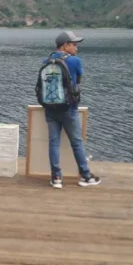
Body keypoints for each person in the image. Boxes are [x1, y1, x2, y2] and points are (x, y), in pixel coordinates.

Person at [42, 31, 101, 189]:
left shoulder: (46, 60)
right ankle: (85, 176)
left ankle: (56, 178)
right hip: (69, 109)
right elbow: (79, 79)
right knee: (76, 142)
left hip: (50, 108)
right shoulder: (75, 61)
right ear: (65, 46)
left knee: (53, 143)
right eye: (74, 44)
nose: (76, 48)